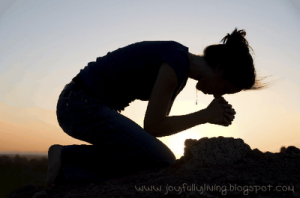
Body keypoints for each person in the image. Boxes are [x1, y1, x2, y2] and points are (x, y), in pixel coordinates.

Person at [46, 28, 265, 187]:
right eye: (225, 88)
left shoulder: (178, 67)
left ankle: (68, 165)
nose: (219, 94)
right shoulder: (175, 62)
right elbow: (153, 126)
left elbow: (158, 126)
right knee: (161, 159)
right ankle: (66, 159)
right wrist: (205, 115)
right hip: (80, 104)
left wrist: (206, 115)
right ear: (219, 68)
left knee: (148, 154)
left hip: (81, 103)